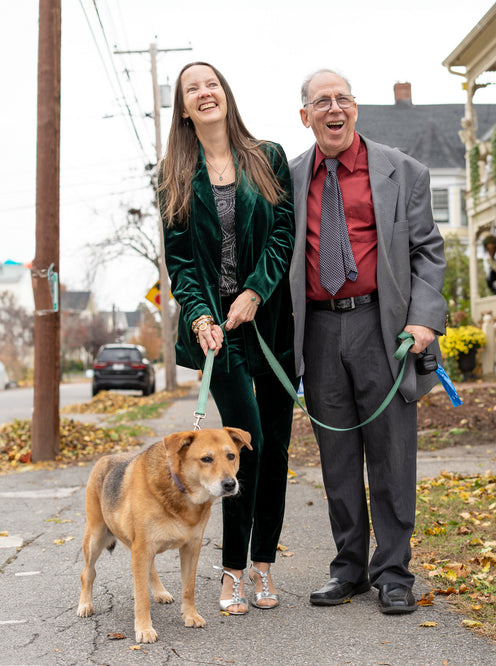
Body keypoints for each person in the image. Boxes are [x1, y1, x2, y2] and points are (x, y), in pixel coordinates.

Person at [289, 69, 447, 614]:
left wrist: (425, 319)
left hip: (385, 327)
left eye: (343, 99)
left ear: (355, 108)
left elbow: (428, 250)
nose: (334, 109)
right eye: (321, 102)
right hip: (317, 327)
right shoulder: (286, 180)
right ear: (304, 116)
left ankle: (394, 572)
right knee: (336, 458)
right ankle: (349, 569)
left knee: (391, 454)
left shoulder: (403, 171)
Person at [158, 62, 296, 615]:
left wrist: (255, 292)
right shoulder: (172, 174)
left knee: (277, 449)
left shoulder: (269, 157)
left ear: (225, 94)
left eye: (210, 83)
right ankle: (232, 571)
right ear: (185, 110)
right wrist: (199, 317)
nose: (204, 92)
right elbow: (181, 262)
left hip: (270, 325)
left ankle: (263, 567)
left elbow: (283, 233)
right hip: (219, 338)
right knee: (246, 445)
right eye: (192, 89)